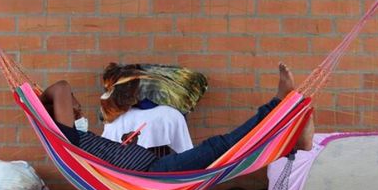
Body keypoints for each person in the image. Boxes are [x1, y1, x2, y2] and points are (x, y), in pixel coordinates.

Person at [39, 62, 315, 172]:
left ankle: (291, 143)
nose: (79, 108)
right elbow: (60, 87)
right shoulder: (68, 138)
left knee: (222, 150)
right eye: (74, 106)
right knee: (219, 147)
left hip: (156, 166)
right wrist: (42, 103)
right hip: (154, 174)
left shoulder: (77, 139)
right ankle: (277, 105)